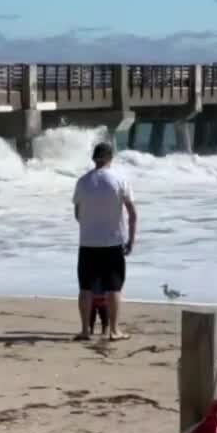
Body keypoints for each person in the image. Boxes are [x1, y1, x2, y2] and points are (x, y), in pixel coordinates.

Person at [72, 141, 136, 341]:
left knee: (85, 288)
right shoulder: (119, 180)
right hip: (112, 242)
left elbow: (77, 213)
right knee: (114, 287)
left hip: (88, 243)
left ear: (94, 158)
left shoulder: (82, 182)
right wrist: (131, 240)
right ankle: (114, 331)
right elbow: (132, 214)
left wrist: (91, 224)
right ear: (110, 158)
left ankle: (84, 330)